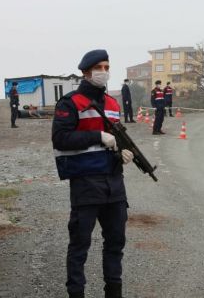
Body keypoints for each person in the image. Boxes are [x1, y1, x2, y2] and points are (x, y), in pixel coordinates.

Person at [52, 49, 133, 298]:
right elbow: (61, 138)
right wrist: (98, 136)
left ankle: (114, 293)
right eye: (100, 68)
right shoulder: (70, 102)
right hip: (86, 184)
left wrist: (123, 153)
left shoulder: (112, 103)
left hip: (114, 184)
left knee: (116, 243)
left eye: (107, 68)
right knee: (79, 246)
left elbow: (116, 138)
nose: (104, 72)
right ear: (86, 72)